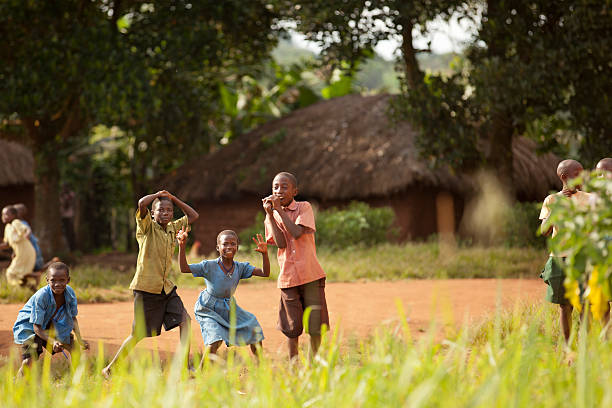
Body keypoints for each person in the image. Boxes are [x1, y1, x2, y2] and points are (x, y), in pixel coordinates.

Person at [102, 190, 199, 378]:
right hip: (145, 288)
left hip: (166, 288)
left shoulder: (173, 227)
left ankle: (185, 368)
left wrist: (174, 199)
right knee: (138, 334)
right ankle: (109, 369)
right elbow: (141, 203)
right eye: (161, 210)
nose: (166, 213)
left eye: (169, 210)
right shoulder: (146, 228)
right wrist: (156, 195)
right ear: (152, 214)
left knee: (185, 321)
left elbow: (194, 216)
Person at [263, 172, 329, 359]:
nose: (279, 191)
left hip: (311, 275)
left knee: (315, 324)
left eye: (284, 187)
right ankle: (294, 363)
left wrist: (279, 211)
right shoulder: (272, 215)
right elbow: (281, 243)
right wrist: (270, 214)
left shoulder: (304, 207)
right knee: (292, 326)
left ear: (295, 191)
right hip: (288, 277)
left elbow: (297, 233)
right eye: (275, 187)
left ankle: (312, 362)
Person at [177, 228, 269, 361]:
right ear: (218, 247)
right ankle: (200, 374)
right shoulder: (209, 266)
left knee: (254, 327)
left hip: (228, 307)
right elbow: (184, 268)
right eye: (225, 244)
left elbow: (265, 273)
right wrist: (182, 246)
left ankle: (261, 367)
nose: (229, 247)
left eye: (233, 243)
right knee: (215, 340)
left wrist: (265, 254)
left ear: (237, 246)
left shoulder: (240, 267)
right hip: (208, 308)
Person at [540, 159, 594, 342]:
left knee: (585, 304)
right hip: (560, 260)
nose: (582, 177)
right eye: (577, 174)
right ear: (564, 177)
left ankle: (585, 346)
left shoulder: (589, 199)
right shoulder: (552, 200)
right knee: (565, 306)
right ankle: (568, 346)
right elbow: (544, 231)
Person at [12, 262, 89, 376]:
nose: (57, 284)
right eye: (53, 280)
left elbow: (73, 318)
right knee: (29, 360)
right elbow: (36, 327)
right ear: (47, 280)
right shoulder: (41, 296)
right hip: (29, 325)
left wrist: (80, 339)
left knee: (75, 348)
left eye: (62, 280)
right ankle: (17, 386)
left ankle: (77, 383)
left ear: (68, 280)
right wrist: (53, 341)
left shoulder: (70, 294)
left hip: (49, 323)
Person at [13, 203, 60, 279]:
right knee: (32, 268)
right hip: (29, 248)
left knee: (35, 267)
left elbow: (25, 237)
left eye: (14, 211)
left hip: (31, 248)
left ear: (19, 213)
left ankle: (52, 263)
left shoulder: (21, 224)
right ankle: (52, 263)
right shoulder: (18, 223)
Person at [1, 206, 36, 288]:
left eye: (6, 214)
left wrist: (27, 234)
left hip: (26, 252)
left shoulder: (16, 223)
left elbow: (27, 229)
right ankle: (29, 285)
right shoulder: (7, 228)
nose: (3, 216)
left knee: (11, 272)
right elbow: (7, 244)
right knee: (18, 273)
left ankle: (21, 286)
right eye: (2, 214)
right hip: (19, 253)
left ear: (13, 215)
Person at [59, 184, 77, 252]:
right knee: (64, 234)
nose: (64, 189)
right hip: (62, 216)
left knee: (70, 233)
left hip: (69, 216)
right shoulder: (61, 195)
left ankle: (72, 249)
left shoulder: (71, 195)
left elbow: (70, 204)